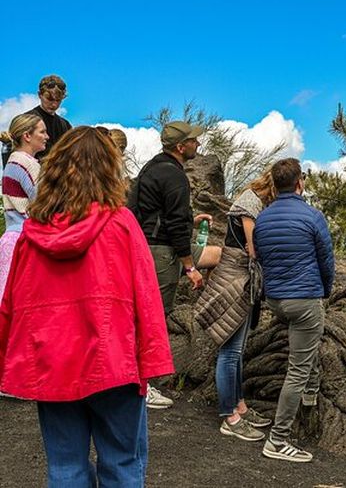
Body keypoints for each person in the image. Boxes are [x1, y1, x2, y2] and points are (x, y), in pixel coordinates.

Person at [0, 126, 174, 487]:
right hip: (115, 364)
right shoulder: (122, 224)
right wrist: (152, 359)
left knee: (65, 469)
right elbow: (147, 297)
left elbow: (11, 307)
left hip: (52, 364)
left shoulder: (31, 235)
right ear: (111, 170)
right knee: (123, 465)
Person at [127, 120, 221, 408]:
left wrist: (189, 220)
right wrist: (190, 267)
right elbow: (176, 225)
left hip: (148, 245)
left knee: (218, 254)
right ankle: (142, 385)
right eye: (193, 141)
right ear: (181, 146)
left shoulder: (151, 168)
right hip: (163, 252)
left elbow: (145, 212)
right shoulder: (175, 176)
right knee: (153, 316)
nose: (198, 144)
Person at [254, 158, 334, 463]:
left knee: (303, 351)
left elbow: (261, 257)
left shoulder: (263, 218)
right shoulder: (312, 216)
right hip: (304, 298)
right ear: (300, 182)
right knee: (297, 368)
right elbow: (326, 259)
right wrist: (324, 291)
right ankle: (278, 439)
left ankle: (311, 395)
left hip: (276, 299)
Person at [195, 168, 278, 442]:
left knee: (237, 350)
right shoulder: (250, 201)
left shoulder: (253, 200)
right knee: (230, 352)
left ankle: (239, 406)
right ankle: (229, 416)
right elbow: (253, 248)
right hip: (236, 277)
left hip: (242, 277)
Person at [0, 114, 47, 300]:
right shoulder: (26, 163)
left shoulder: (12, 162)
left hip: (10, 238)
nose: (47, 136)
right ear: (27, 136)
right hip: (25, 241)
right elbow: (43, 204)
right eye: (42, 132)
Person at [3, 75, 72, 166]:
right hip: (30, 175)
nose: (54, 104)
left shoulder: (66, 125)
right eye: (49, 99)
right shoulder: (26, 120)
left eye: (58, 100)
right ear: (40, 95)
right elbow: (12, 156)